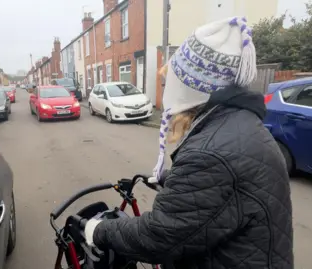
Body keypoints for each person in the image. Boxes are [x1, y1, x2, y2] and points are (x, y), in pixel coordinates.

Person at [84, 16, 294, 269]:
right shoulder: (239, 124)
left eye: (175, 75)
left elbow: (159, 237)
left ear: (196, 85)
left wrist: (98, 231)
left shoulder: (211, 153)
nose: (165, 79)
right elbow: (223, 193)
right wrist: (171, 179)